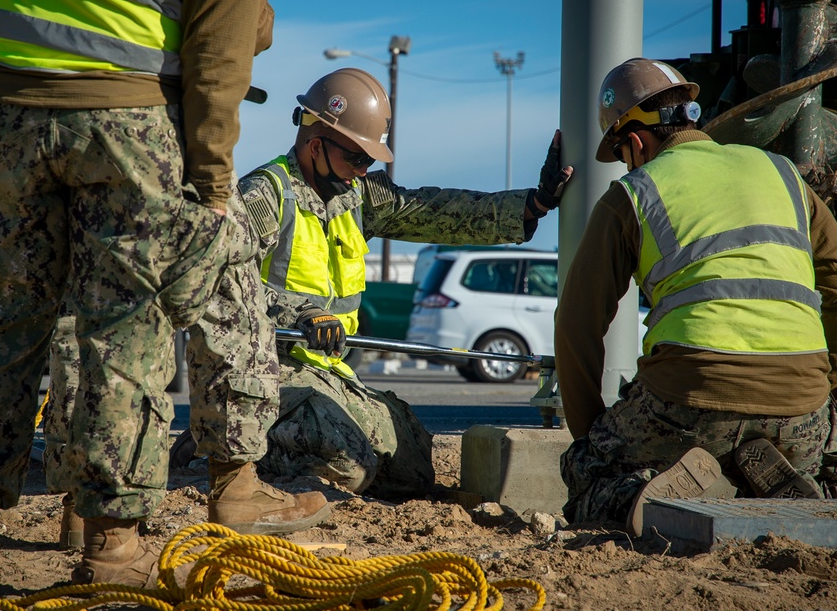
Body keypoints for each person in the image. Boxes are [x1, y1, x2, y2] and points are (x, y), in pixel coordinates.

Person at [0, 0, 325, 592]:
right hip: (128, 114)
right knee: (125, 337)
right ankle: (110, 554)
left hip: (6, 102)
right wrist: (212, 177)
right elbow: (224, 37)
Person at [174, 67, 572, 499]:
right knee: (348, 462)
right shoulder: (264, 196)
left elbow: (430, 210)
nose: (363, 171)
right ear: (315, 144)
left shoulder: (355, 194)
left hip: (328, 371)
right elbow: (219, 283)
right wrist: (300, 314)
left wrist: (531, 204)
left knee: (412, 465)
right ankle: (211, 447)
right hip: (272, 371)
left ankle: (220, 441)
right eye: (357, 158)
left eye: (369, 161)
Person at [554, 57, 837, 538]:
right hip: (801, 405)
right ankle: (797, 482)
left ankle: (644, 494)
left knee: (584, 473)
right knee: (817, 456)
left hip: (687, 398)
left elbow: (577, 324)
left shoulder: (634, 193)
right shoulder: (785, 174)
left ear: (637, 141)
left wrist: (592, 438)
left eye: (622, 152)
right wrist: (823, 391)